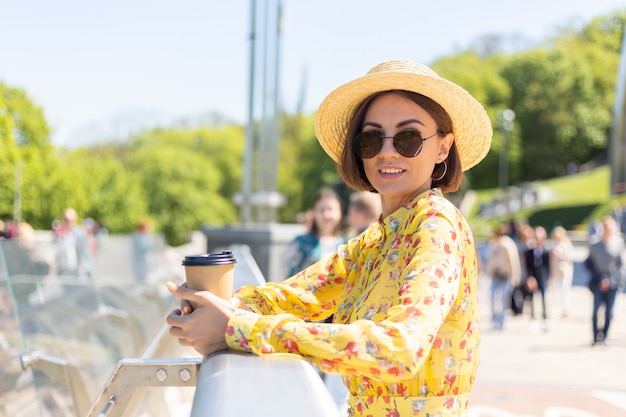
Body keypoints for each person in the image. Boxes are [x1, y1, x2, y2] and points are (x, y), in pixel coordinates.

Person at [166, 60, 492, 416]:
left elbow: (400, 349)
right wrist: (213, 306)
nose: (387, 151)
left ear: (443, 148)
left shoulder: (436, 224)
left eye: (408, 138)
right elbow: (298, 296)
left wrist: (236, 328)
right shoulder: (377, 240)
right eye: (371, 138)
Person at [285, 188, 346, 278]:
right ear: (313, 213)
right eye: (321, 210)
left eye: (330, 209)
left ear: (340, 212)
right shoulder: (301, 243)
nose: (326, 215)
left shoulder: (344, 245)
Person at [585, 216, 626, 346]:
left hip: (612, 282)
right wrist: (600, 278)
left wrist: (610, 280)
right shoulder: (594, 244)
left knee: (609, 312)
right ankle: (595, 335)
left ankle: (605, 335)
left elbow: (619, 265)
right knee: (596, 309)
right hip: (598, 281)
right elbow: (589, 263)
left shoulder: (618, 243)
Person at [485, 223, 521, 330]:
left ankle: (501, 321)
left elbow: (513, 261)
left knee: (503, 299)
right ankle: (494, 319)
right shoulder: (492, 244)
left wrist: (515, 276)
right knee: (492, 297)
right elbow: (489, 260)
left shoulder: (507, 245)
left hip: (505, 275)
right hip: (495, 275)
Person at [523, 226, 551, 330]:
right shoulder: (529, 251)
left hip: (542, 276)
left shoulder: (546, 251)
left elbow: (548, 266)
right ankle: (533, 318)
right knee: (532, 298)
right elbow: (528, 267)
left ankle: (545, 318)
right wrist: (529, 278)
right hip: (533, 276)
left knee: (544, 298)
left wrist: (549, 278)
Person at [548, 226, 574, 318]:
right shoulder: (551, 244)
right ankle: (555, 308)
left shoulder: (566, 244)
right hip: (555, 270)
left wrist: (560, 255)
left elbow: (570, 256)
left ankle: (564, 307)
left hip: (564, 269)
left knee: (564, 289)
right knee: (555, 289)